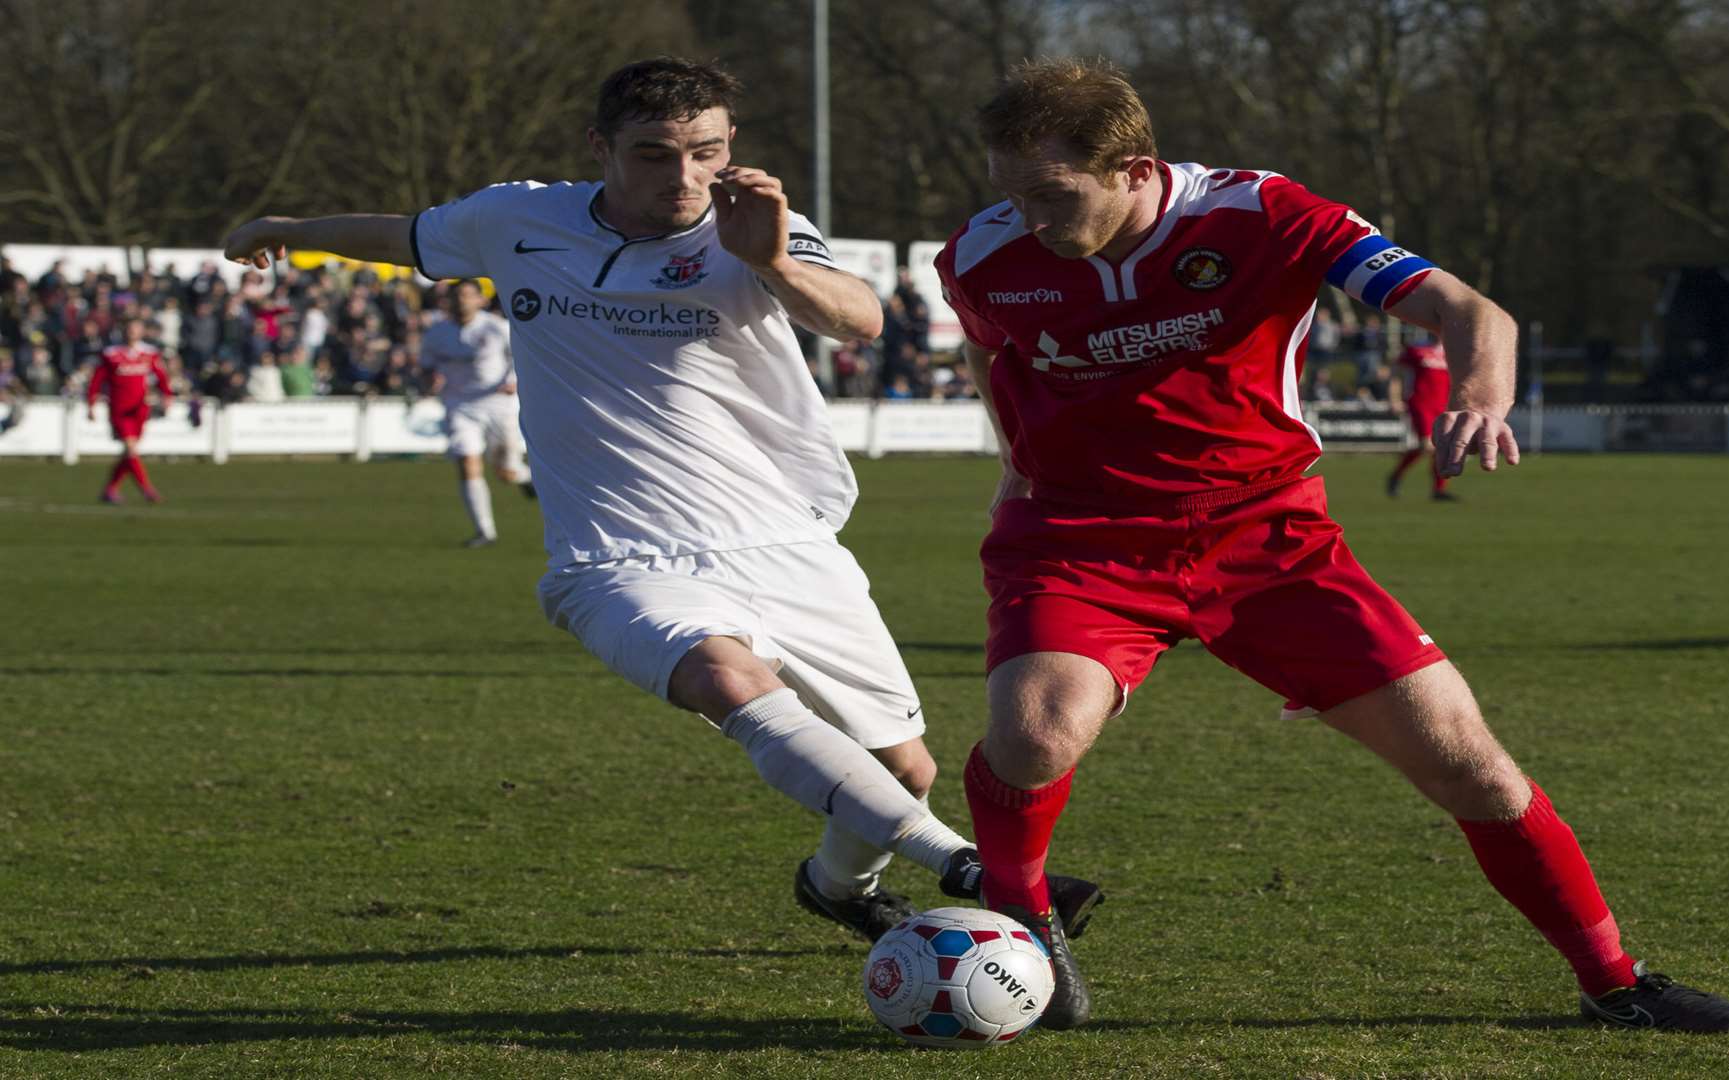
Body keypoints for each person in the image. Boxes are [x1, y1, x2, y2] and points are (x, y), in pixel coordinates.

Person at [935, 57, 1729, 1034]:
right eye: (1011, 193)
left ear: (1134, 167)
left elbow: (1470, 309)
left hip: (1268, 541)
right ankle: (1022, 920)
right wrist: (1015, 457)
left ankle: (1614, 979)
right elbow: (993, 347)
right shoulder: (982, 258)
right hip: (1082, 537)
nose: (1028, 218)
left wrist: (1480, 395)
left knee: (1468, 762)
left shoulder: (1265, 215)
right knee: (1034, 733)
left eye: (1051, 194)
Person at [221, 56, 1099, 945]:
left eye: (705, 153)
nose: (684, 178)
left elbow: (858, 318)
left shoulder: (756, 225)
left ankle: (839, 887)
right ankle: (969, 869)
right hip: (616, 558)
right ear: (600, 148)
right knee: (726, 679)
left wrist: (770, 259)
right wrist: (290, 228)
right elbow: (409, 234)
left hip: (782, 541)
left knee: (902, 771)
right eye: (653, 154)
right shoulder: (514, 218)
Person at [420, 278, 535, 547]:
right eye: (457, 295)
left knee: (505, 472)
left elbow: (523, 355)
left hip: (497, 404)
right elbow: (426, 364)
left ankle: (525, 476)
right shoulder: (437, 332)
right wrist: (429, 378)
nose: (462, 300)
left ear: (480, 300)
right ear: (447, 300)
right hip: (459, 404)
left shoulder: (497, 328)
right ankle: (485, 532)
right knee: (467, 462)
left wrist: (515, 378)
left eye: (468, 295)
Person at [85, 318, 173, 504]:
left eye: (136, 328)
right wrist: (91, 404)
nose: (132, 332)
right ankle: (147, 490)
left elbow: (161, 377)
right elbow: (97, 380)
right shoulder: (111, 354)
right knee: (131, 450)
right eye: (129, 328)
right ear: (123, 330)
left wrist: (167, 396)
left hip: (140, 409)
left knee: (129, 453)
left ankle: (110, 490)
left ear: (142, 331)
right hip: (119, 409)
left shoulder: (149, 353)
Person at [1386, 333, 1454, 500]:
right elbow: (1396, 374)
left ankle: (1439, 490)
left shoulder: (1452, 351)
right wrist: (1394, 398)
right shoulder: (1416, 349)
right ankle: (1397, 476)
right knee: (1428, 445)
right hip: (1421, 403)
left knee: (1440, 447)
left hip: (1443, 405)